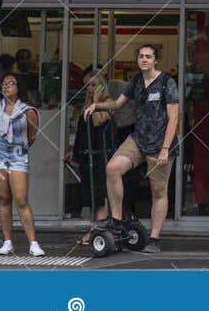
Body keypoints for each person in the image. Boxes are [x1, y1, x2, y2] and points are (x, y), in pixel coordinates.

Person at [81, 43, 180, 253]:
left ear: (156, 60)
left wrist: (165, 149)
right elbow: (118, 104)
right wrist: (96, 105)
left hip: (160, 142)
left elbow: (174, 118)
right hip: (138, 138)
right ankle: (116, 220)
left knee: (158, 191)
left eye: (148, 56)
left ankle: (154, 239)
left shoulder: (166, 82)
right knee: (112, 168)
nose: (144, 59)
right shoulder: (136, 81)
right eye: (141, 56)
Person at [0, 72, 43, 256]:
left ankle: (33, 243)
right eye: (4, 83)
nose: (6, 86)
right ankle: (7, 242)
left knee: (21, 199)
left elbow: (31, 136)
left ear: (19, 88)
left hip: (18, 156)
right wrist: (0, 148)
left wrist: (18, 148)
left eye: (11, 83)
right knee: (4, 198)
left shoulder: (28, 111)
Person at [70, 75, 117, 246]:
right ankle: (94, 228)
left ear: (102, 87)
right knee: (91, 197)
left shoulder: (107, 103)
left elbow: (98, 122)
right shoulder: (86, 105)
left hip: (100, 156)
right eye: (87, 85)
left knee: (100, 195)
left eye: (94, 85)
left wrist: (96, 101)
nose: (90, 88)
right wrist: (74, 152)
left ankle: (98, 231)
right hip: (86, 155)